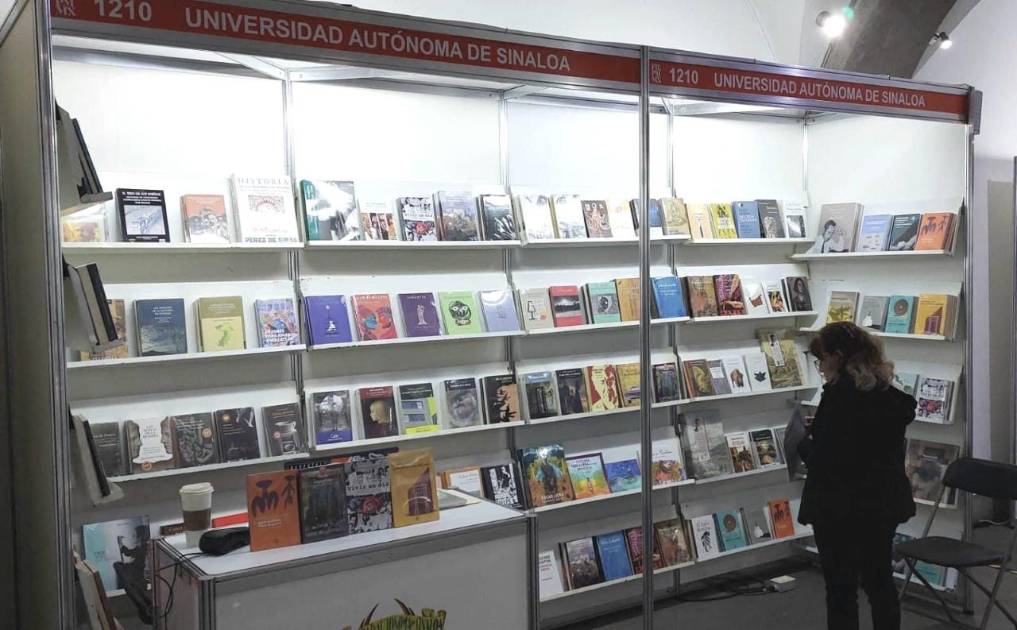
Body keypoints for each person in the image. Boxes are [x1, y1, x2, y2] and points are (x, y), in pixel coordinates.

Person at [798, 322, 916, 630]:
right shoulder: (886, 393)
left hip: (840, 506)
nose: (820, 367)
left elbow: (827, 459)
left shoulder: (840, 397)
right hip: (882, 503)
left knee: (841, 589)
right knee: (880, 583)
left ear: (837, 357)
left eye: (822, 359)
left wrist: (802, 444)